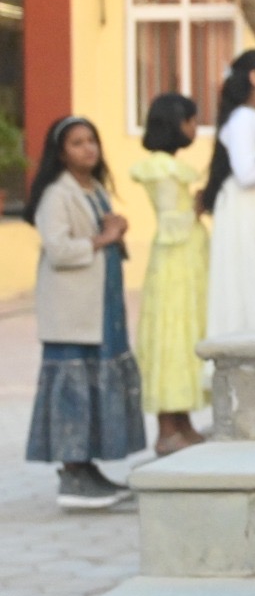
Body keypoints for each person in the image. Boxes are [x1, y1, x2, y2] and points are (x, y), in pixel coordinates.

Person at [23, 116, 142, 510]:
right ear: (61, 153)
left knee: (96, 383)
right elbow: (58, 250)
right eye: (77, 143)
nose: (88, 148)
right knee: (73, 387)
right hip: (72, 311)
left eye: (92, 140)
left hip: (101, 307)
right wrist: (103, 238)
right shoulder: (57, 194)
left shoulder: (94, 190)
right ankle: (73, 473)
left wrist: (115, 232)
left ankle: (88, 468)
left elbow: (102, 240)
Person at [131, 93, 209, 456]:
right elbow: (170, 223)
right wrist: (196, 207)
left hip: (186, 261)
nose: (195, 128)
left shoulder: (171, 166)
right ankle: (166, 428)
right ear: (176, 124)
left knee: (186, 333)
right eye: (191, 121)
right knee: (171, 336)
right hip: (174, 262)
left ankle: (183, 420)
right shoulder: (161, 168)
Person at [202, 50, 255, 337]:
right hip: (248, 209)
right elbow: (246, 173)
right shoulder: (242, 119)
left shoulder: (252, 118)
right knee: (250, 273)